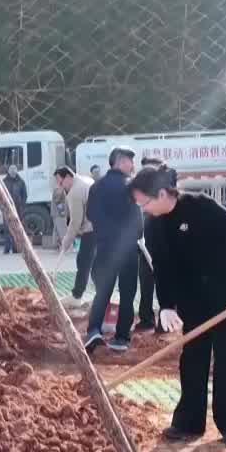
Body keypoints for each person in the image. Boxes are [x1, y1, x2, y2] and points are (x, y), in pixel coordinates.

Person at [132, 167, 226, 445]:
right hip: (193, 297)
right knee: (193, 355)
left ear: (162, 194)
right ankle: (188, 422)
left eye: (145, 202)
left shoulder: (200, 206)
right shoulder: (154, 226)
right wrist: (167, 305)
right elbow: (161, 267)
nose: (144, 209)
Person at [83, 148, 142, 353]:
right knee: (127, 293)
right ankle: (121, 337)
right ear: (119, 161)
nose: (132, 166)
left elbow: (91, 214)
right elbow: (138, 221)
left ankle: (93, 330)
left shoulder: (97, 186)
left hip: (105, 247)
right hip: (127, 249)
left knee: (103, 292)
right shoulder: (130, 186)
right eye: (129, 161)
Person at [133, 158, 167, 332]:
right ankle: (146, 318)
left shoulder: (164, 193)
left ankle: (164, 323)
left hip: (162, 249)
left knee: (164, 285)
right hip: (146, 247)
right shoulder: (144, 193)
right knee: (146, 283)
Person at [54, 167, 94, 304]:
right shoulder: (86, 180)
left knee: (83, 261)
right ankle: (100, 294)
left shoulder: (75, 192)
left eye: (61, 183)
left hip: (92, 229)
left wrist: (66, 241)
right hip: (104, 227)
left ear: (68, 177)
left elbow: (75, 221)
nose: (60, 186)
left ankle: (77, 296)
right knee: (95, 263)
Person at [2, 166, 29, 253]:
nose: (13, 171)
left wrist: (22, 205)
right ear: (8, 171)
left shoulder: (21, 182)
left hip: (18, 208)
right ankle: (7, 247)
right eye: (11, 170)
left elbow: (24, 195)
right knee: (7, 228)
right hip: (6, 208)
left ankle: (16, 248)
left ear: (17, 171)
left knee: (17, 228)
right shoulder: (4, 182)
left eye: (14, 170)